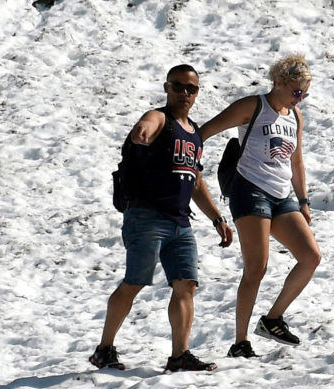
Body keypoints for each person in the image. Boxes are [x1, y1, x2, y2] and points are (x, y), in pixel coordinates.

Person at [89, 64, 235, 372]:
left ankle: (179, 355)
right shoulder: (159, 118)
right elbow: (148, 122)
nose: (184, 93)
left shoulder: (194, 133)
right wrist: (142, 129)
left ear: (197, 92)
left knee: (186, 285)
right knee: (134, 283)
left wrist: (217, 218)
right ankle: (104, 349)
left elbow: (195, 181)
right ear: (167, 87)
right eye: (178, 86)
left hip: (180, 222)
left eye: (191, 88)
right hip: (146, 217)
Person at [200, 54, 321, 358]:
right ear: (279, 82)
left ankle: (272, 319)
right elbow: (204, 132)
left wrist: (303, 200)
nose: (300, 99)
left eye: (305, 93)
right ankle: (240, 342)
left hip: (282, 194)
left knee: (310, 257)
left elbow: (296, 159)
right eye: (296, 92)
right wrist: (186, 162)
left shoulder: (294, 116)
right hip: (249, 189)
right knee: (257, 267)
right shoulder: (252, 106)